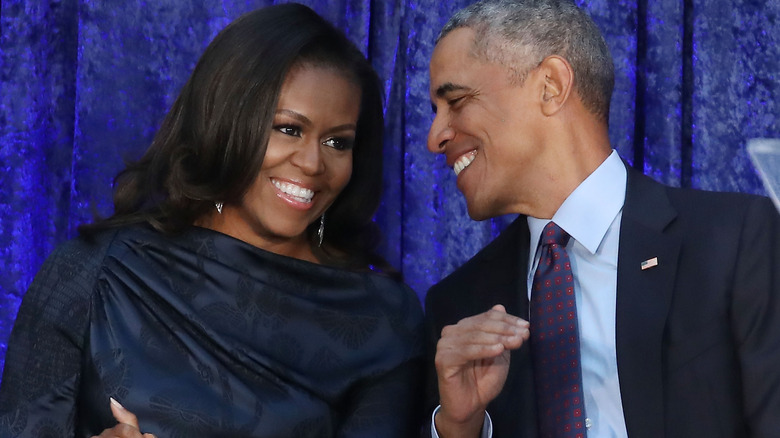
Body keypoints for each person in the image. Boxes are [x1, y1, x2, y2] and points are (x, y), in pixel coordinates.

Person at [0, 4, 425, 437]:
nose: (313, 162)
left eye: (338, 141)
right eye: (288, 129)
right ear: (224, 123)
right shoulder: (93, 272)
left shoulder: (382, 321)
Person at [422, 0, 780, 437]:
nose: (435, 137)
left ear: (550, 86)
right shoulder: (458, 306)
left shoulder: (734, 241)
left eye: (456, 101)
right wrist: (461, 427)